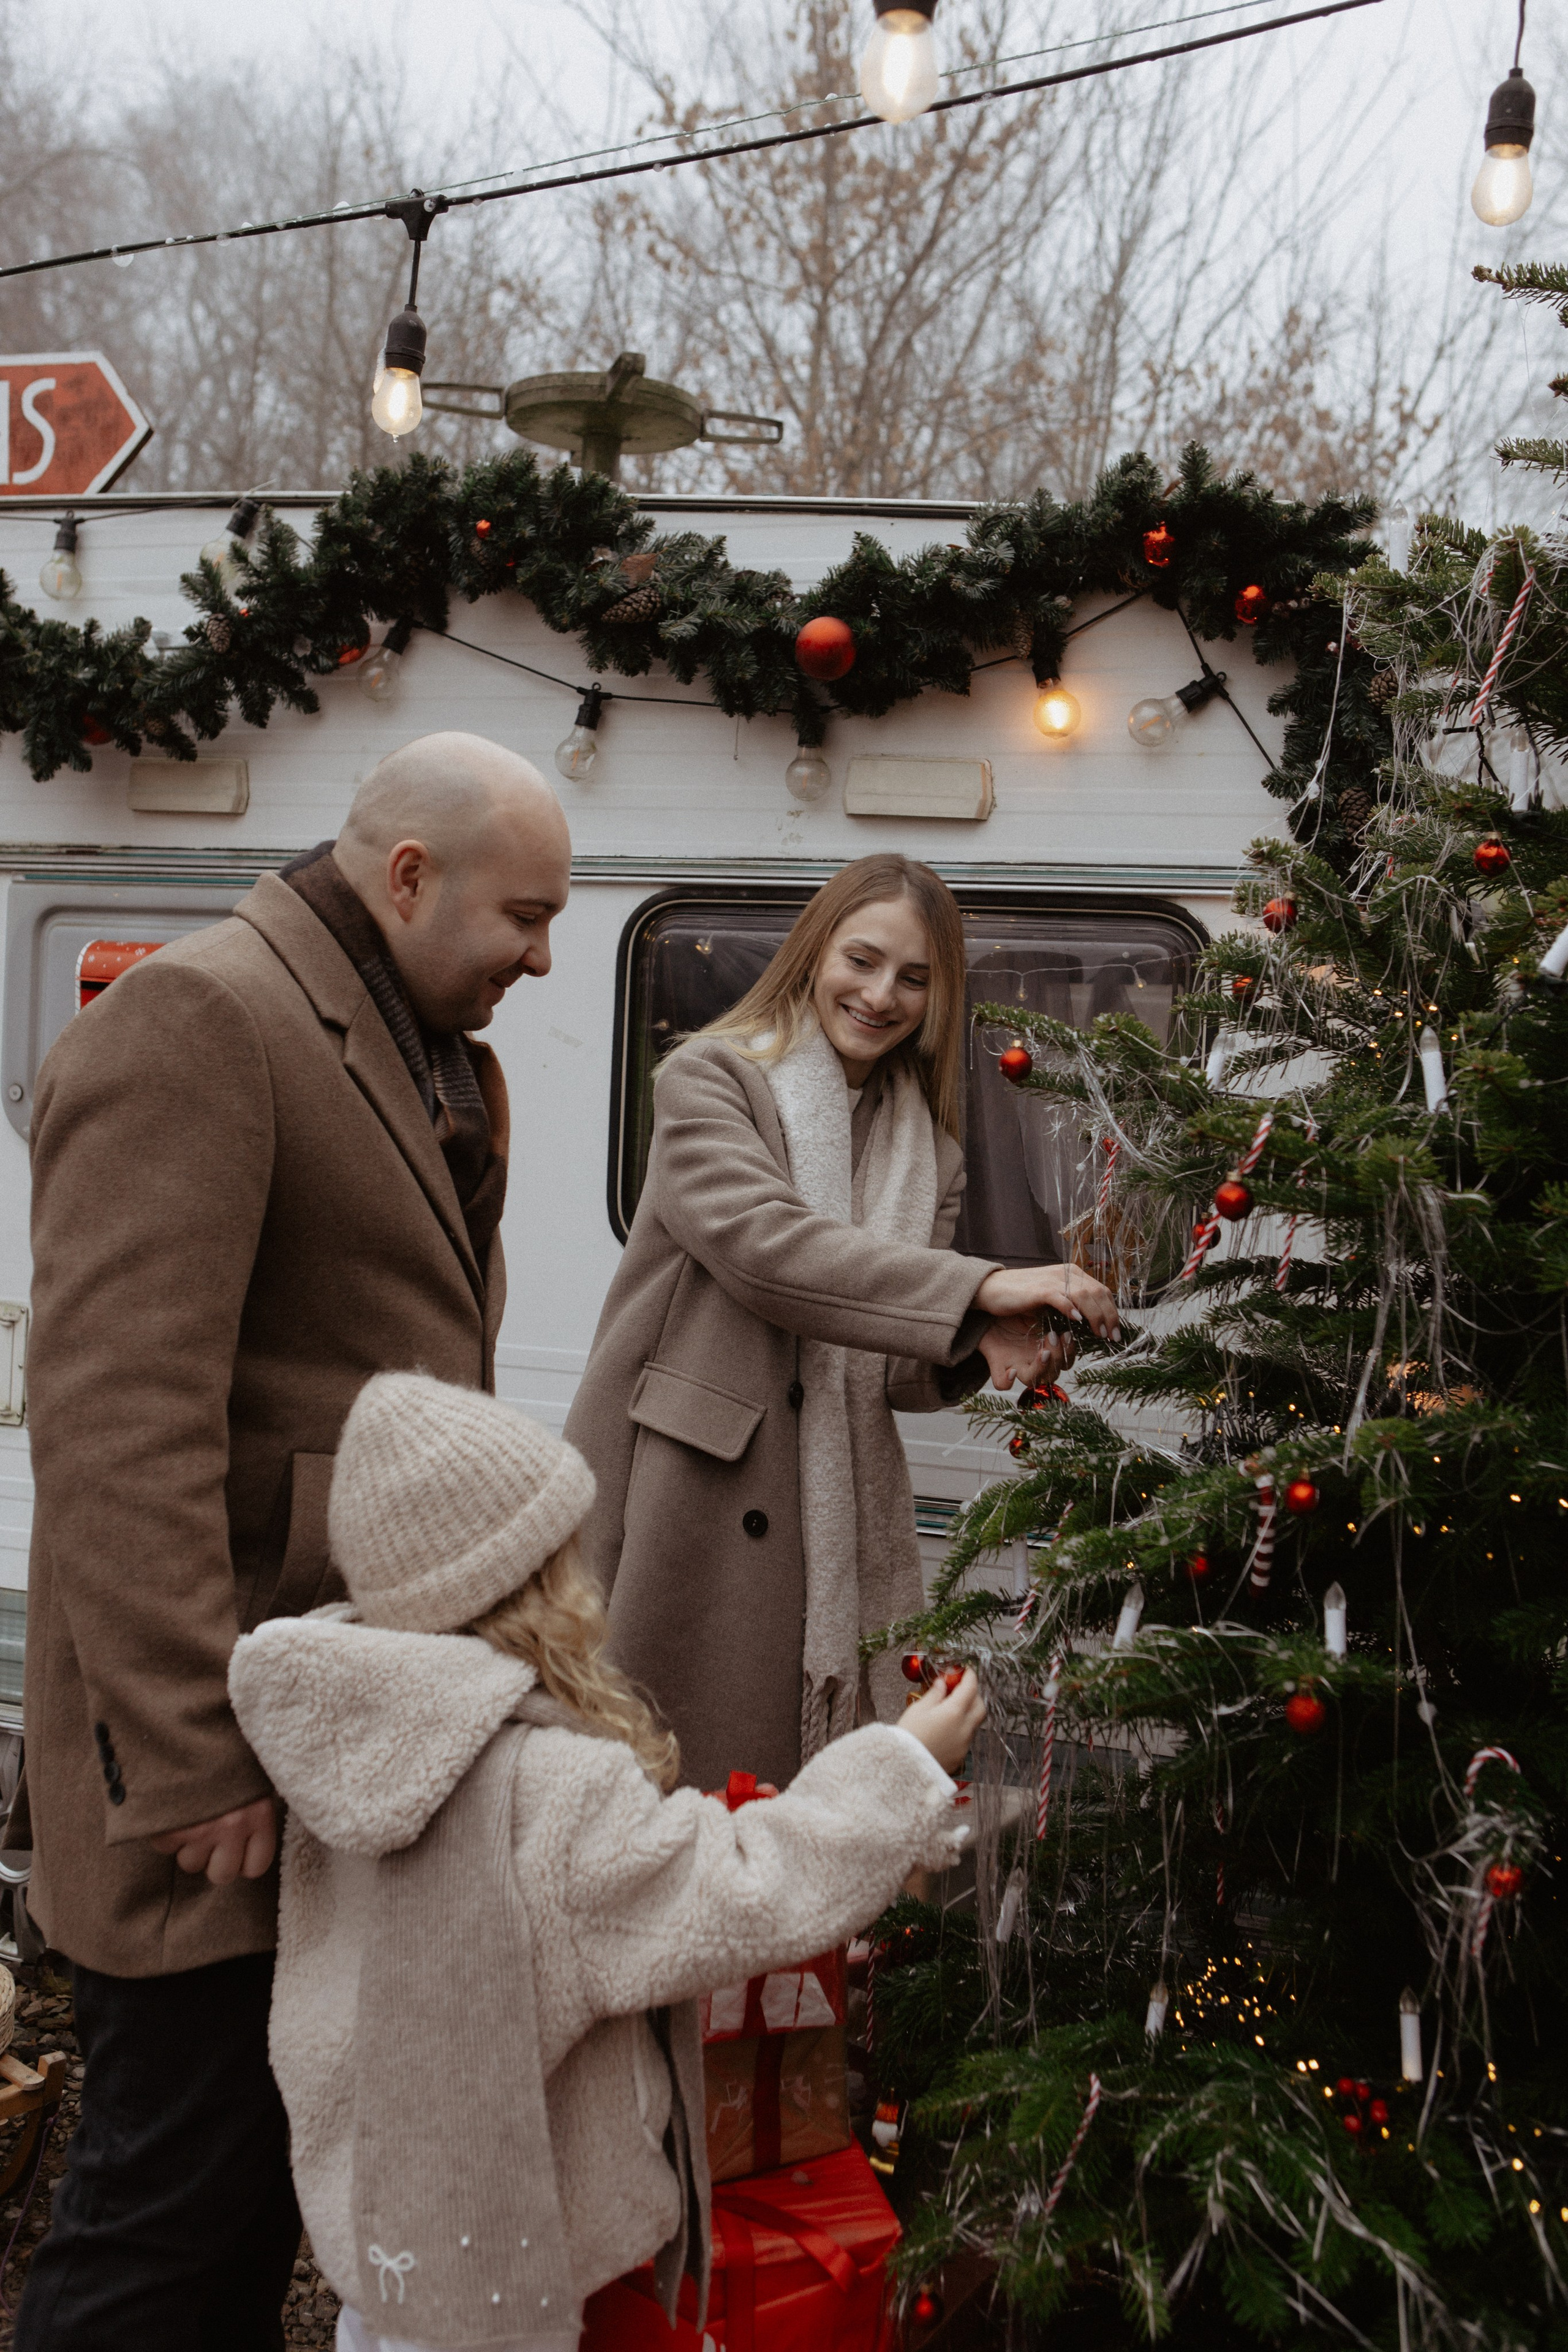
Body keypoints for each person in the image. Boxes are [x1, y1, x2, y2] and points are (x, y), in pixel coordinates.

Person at [16, 734, 571, 2352]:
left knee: (252, 2209)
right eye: (523, 917)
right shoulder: (204, 1018)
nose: (542, 957)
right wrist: (187, 1757)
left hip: (329, 1746)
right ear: (409, 878)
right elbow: (120, 1421)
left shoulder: (431, 1049)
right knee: (165, 2224)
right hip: (224, 1775)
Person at [228, 1371, 984, 2352]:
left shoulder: (359, 1738)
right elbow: (743, 1887)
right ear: (534, 1581)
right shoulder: (545, 1792)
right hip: (505, 2249)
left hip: (388, 2219)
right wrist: (904, 1761)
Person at [565, 853, 1118, 1795]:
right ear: (814, 951)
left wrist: (976, 1349)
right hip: (682, 1492)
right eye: (861, 960)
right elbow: (764, 1252)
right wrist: (980, 1286)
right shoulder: (711, 1078)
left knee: (780, 1812)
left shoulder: (928, 1150)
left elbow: (884, 1365)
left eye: (914, 977)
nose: (881, 995)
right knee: (653, 1788)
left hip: (825, 1506)